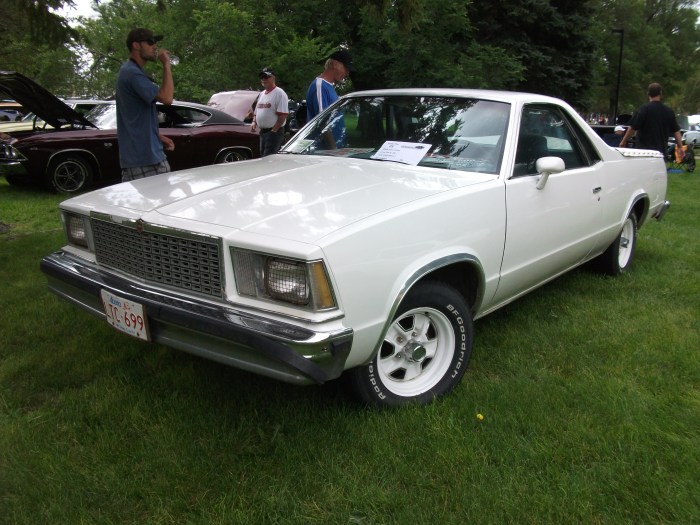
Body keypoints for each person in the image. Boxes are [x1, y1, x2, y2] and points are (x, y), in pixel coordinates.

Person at [116, 27, 175, 182]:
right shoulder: (132, 73)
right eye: (150, 42)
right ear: (136, 45)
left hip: (143, 156)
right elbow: (167, 98)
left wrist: (158, 136)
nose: (154, 46)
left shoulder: (131, 71)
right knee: (163, 204)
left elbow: (135, 117)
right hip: (145, 159)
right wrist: (166, 65)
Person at [619, 82, 682, 156]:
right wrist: (680, 147)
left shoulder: (644, 109)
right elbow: (676, 132)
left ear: (648, 94)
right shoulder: (669, 111)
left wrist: (623, 142)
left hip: (644, 153)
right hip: (661, 154)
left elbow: (633, 128)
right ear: (660, 93)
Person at [250, 68, 289, 156]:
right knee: (263, 157)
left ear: (273, 78)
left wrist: (274, 130)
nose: (264, 79)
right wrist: (254, 121)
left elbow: (283, 115)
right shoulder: (262, 94)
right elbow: (257, 110)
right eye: (262, 77)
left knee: (269, 159)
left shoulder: (280, 93)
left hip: (274, 132)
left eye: (266, 77)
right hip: (263, 132)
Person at [305, 50, 353, 121]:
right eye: (346, 69)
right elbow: (322, 122)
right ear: (335, 64)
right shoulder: (320, 86)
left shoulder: (329, 86)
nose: (347, 73)